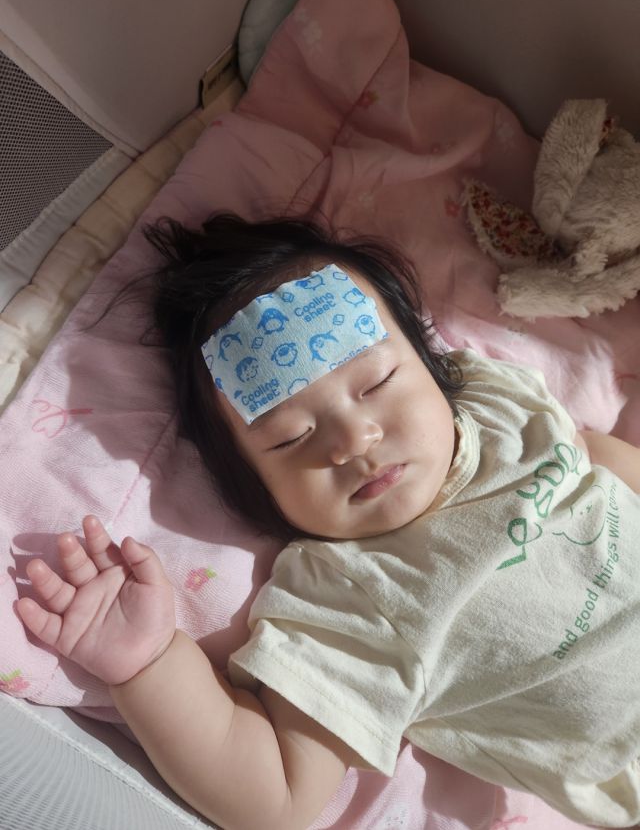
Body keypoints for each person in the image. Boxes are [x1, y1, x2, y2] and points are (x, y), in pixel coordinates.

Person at [15, 213, 640, 830]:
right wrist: (149, 663)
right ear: (252, 488)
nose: (353, 439)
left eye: (378, 383)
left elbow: (587, 454)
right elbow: (276, 798)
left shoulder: (493, 399)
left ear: (429, 363)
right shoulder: (348, 596)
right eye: (292, 437)